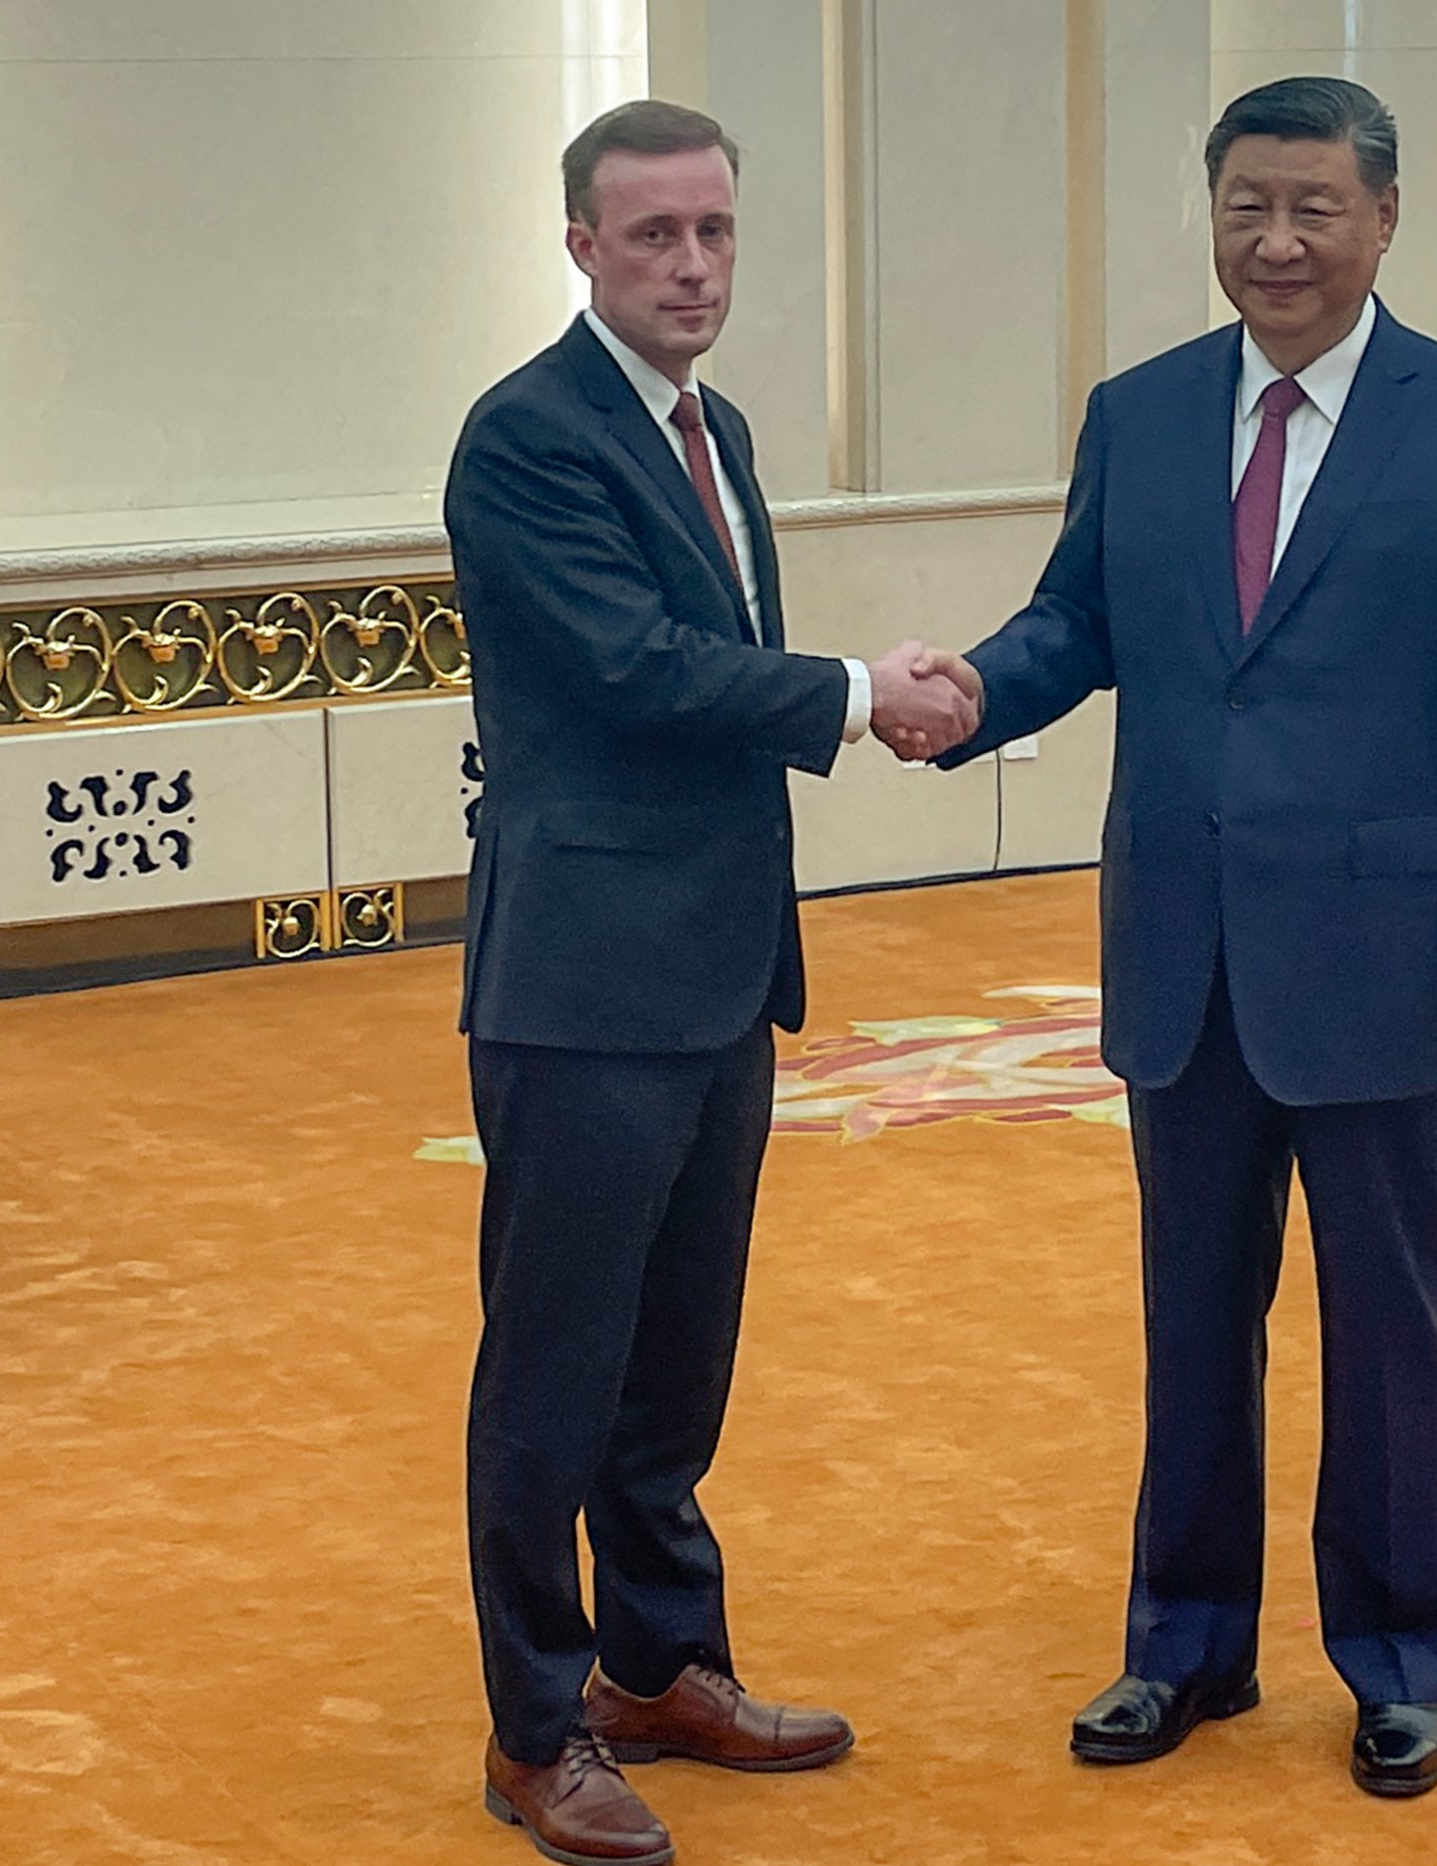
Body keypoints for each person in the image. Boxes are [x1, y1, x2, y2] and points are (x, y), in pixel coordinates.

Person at [909, 76, 1437, 1798]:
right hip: (1184, 955)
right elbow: (1080, 616)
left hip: (1394, 959)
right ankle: (1184, 1645)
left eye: (1310, 208)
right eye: (1244, 208)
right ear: (1209, 216)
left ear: (1380, 222)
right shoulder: (1137, 414)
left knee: (1389, 1325)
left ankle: (1393, 1660)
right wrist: (980, 690)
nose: (1274, 241)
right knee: (1190, 1317)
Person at [443, 99, 978, 1866]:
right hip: (581, 979)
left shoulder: (714, 426)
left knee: (676, 1361)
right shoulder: (523, 437)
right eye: (653, 235)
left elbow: (705, 664)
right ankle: (537, 1729)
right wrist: (853, 692)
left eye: (716, 233)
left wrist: (830, 695)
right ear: (580, 246)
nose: (691, 266)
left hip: (718, 971)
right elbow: (627, 666)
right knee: (555, 1371)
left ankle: (658, 1663)